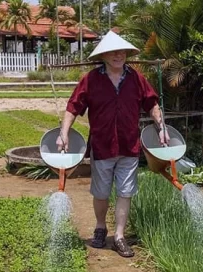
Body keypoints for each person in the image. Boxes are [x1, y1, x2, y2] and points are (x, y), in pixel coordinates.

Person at [58, 31, 169, 258]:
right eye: (113, 52)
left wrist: (162, 127)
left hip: (129, 146)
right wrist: (63, 133)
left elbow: (152, 104)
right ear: (105, 55)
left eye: (122, 51)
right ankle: (100, 227)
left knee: (125, 193)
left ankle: (119, 236)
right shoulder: (91, 80)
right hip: (102, 146)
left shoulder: (136, 79)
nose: (119, 55)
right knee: (101, 192)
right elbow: (73, 107)